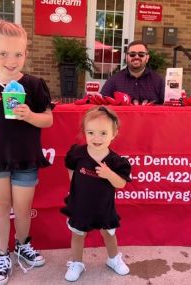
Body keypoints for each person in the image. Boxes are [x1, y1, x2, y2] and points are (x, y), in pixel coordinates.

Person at [0, 20, 54, 285]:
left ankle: (22, 245)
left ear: (26, 54)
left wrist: (30, 115)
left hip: (26, 158)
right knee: (0, 207)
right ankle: (1, 254)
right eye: (3, 54)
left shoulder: (34, 85)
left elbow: (48, 120)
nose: (11, 60)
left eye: (18, 54)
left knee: (22, 209)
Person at [61, 106, 131, 282]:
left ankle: (113, 259)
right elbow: (70, 167)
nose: (96, 138)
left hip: (104, 206)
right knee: (78, 234)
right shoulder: (77, 153)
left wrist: (109, 175)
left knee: (109, 233)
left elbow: (121, 184)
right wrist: (74, 187)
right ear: (84, 132)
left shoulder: (116, 161)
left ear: (114, 134)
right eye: (90, 132)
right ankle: (76, 262)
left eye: (103, 133)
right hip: (80, 204)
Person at [100, 40, 165, 105]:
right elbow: (101, 104)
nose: (136, 57)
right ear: (126, 57)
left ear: (147, 58)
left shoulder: (158, 81)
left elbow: (167, 106)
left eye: (141, 54)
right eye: (132, 54)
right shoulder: (114, 80)